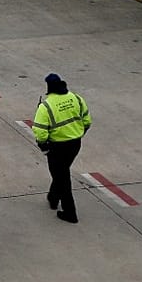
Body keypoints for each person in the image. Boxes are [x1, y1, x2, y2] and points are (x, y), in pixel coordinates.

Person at [33, 73, 91, 224]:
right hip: (75, 144)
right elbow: (87, 120)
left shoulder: (46, 106)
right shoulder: (76, 98)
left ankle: (70, 212)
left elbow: (40, 131)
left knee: (62, 178)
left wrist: (44, 146)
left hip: (57, 147)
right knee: (62, 172)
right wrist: (78, 133)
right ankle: (53, 198)